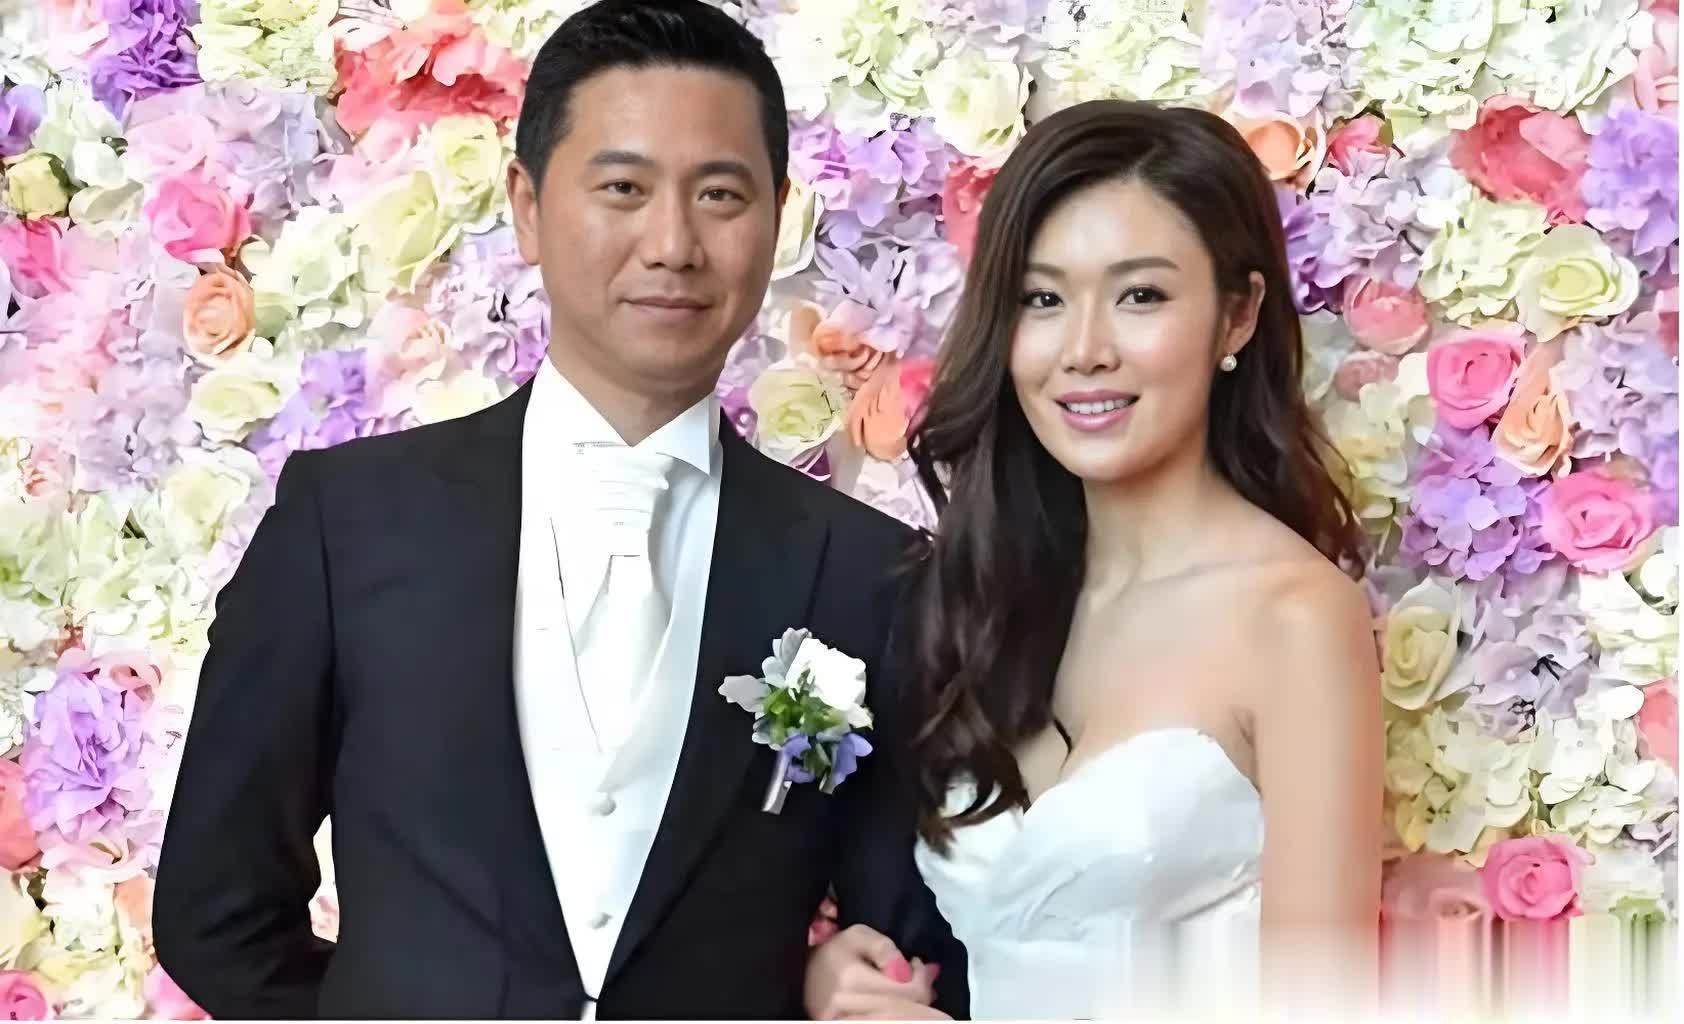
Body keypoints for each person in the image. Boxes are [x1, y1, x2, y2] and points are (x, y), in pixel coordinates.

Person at [153, 2, 963, 1018]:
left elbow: (907, 945)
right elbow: (214, 910)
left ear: (777, 217)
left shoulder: (870, 575)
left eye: (720, 194)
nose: (672, 243)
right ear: (528, 207)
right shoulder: (348, 522)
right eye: (623, 188)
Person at [804, 99, 1383, 1020]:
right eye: (1042, 299)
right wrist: (840, 974)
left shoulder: (1295, 618)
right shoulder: (987, 598)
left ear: (1236, 316)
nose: (1084, 351)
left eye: (1140, 296)